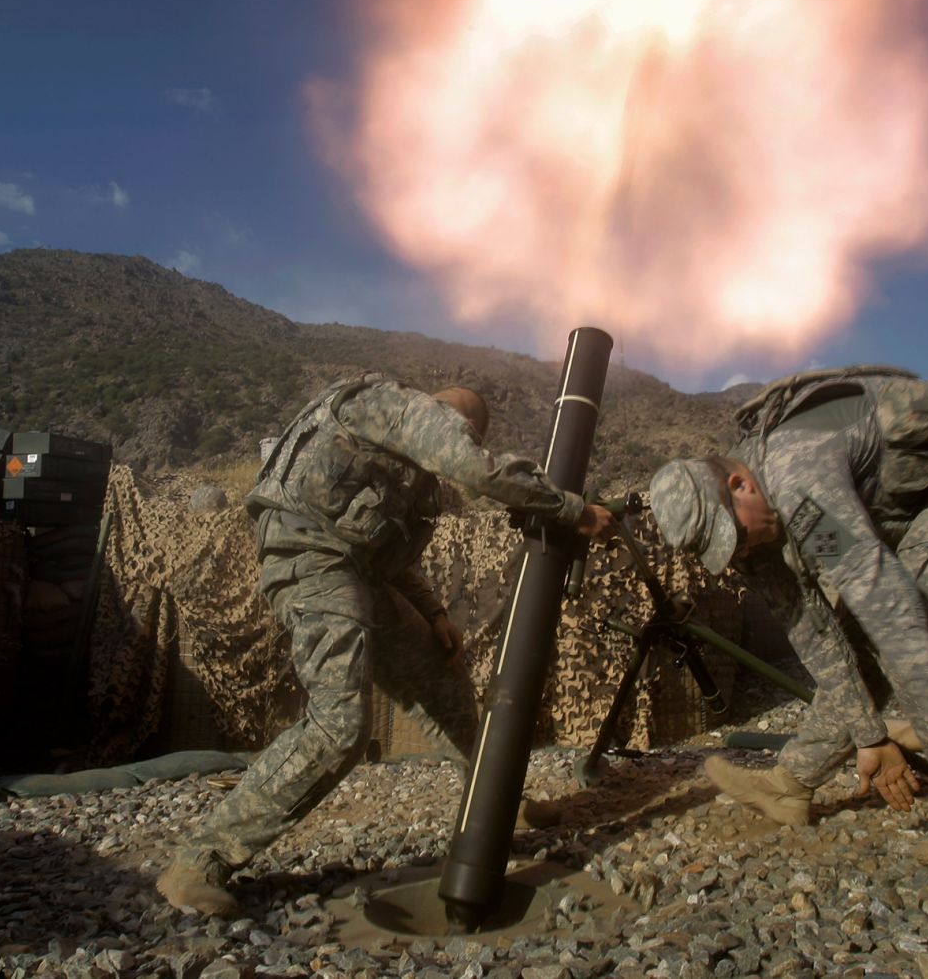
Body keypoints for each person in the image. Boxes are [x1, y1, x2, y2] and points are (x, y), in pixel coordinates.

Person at [157, 373, 616, 915]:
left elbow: (393, 556)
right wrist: (573, 510)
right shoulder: (394, 406)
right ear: (455, 419)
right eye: (460, 429)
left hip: (358, 573)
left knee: (443, 683)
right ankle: (199, 860)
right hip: (310, 557)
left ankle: (496, 805)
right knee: (342, 726)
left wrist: (435, 614)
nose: (455, 436)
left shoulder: (410, 472)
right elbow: (475, 470)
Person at [649, 365, 928, 876]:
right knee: (864, 641)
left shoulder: (798, 484)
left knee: (916, 633)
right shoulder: (756, 531)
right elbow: (811, 633)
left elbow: (882, 598)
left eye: (733, 536)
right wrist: (871, 738)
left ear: (740, 484)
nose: (739, 551)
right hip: (896, 511)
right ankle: (794, 783)